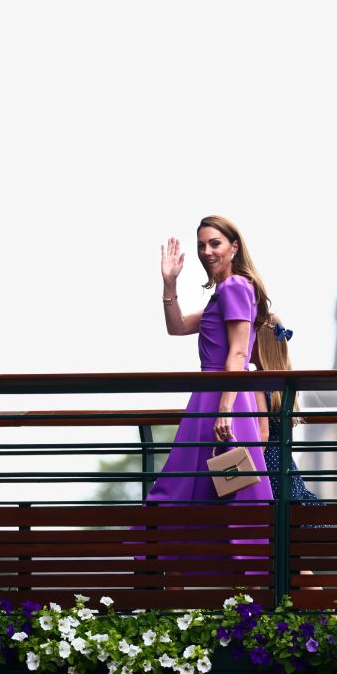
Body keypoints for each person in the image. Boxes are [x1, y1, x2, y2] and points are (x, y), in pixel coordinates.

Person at [146, 216, 274, 505]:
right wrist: (169, 282)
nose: (207, 251)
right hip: (212, 395)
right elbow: (176, 326)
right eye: (202, 245)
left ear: (234, 247)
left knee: (212, 487)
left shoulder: (236, 286)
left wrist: (226, 410)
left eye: (215, 243)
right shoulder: (223, 293)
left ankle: (223, 548)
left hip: (223, 396)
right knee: (206, 486)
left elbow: (239, 354)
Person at [252, 314, 321, 506]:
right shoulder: (284, 384)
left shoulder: (256, 381)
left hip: (266, 461)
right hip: (283, 460)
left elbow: (262, 433)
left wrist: (248, 466)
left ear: (260, 344)